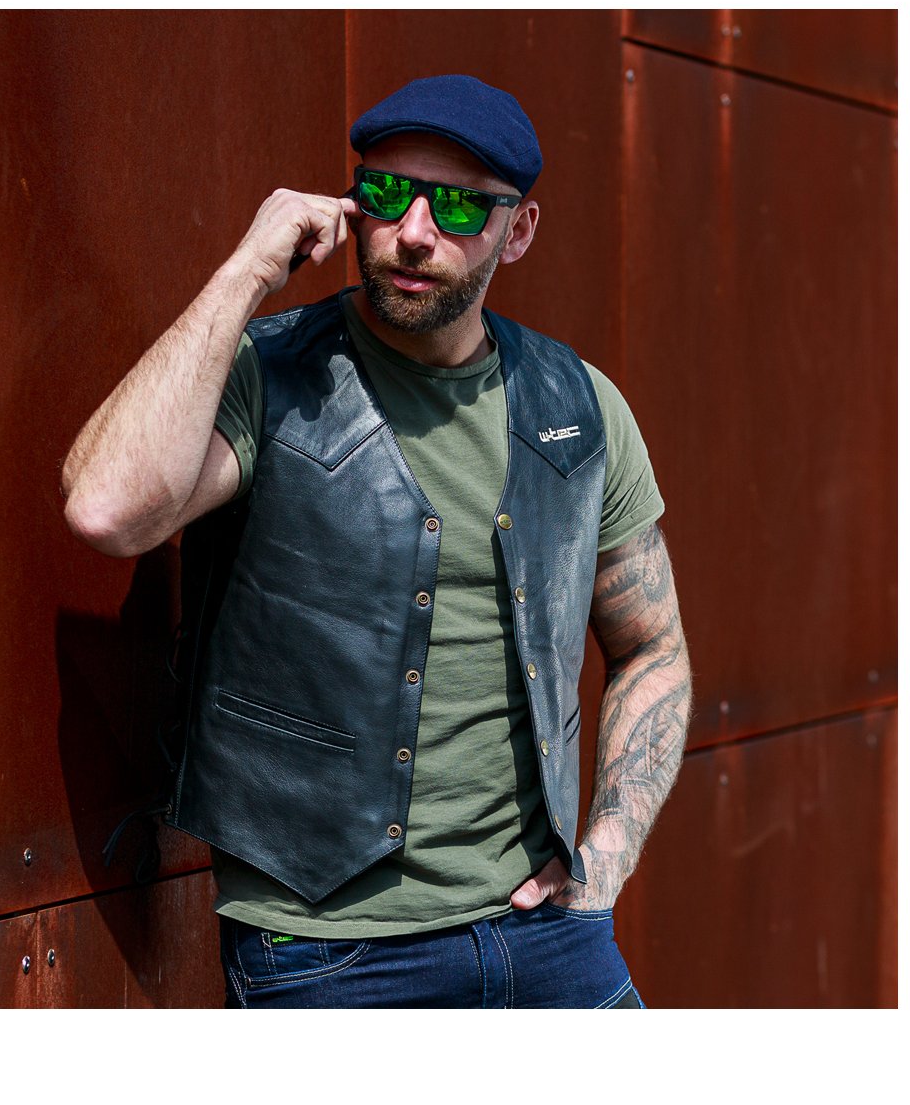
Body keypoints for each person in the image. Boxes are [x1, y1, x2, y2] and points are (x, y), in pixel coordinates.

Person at [62, 73, 692, 1009]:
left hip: (550, 938)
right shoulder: (272, 377)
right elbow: (107, 511)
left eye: (460, 207)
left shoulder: (580, 406)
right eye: (389, 193)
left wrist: (604, 857)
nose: (414, 231)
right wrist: (244, 273)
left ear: (519, 230)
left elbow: (653, 648)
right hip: (330, 956)